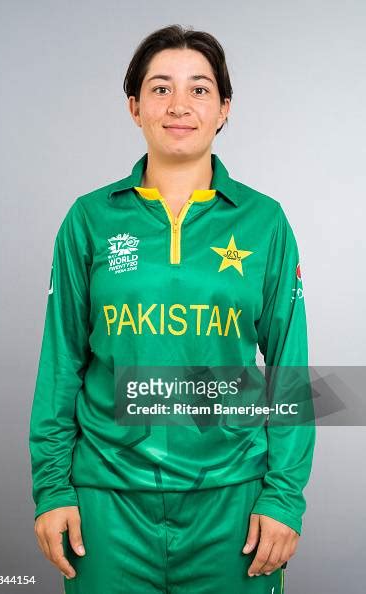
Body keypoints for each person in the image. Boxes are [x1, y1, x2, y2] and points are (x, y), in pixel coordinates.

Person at [29, 24, 315, 594]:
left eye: (200, 89)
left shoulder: (265, 223)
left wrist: (283, 496)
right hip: (108, 506)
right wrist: (53, 488)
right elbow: (61, 365)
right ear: (134, 107)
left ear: (224, 108)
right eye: (160, 89)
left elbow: (289, 370)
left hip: (233, 505)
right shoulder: (89, 220)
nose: (179, 105)